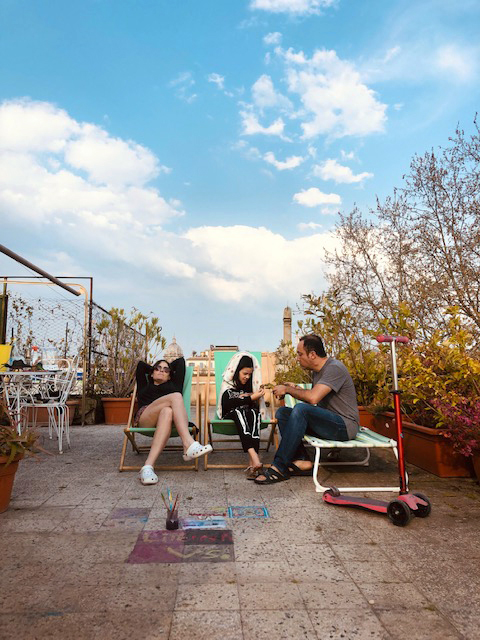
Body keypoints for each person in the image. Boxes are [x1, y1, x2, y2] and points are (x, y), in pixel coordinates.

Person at [255, 334, 360, 485]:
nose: (297, 358)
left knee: (301, 410)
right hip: (330, 422)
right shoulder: (317, 371)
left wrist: (287, 390)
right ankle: (302, 461)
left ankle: (279, 467)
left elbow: (313, 398)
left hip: (345, 426)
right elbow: (318, 397)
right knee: (283, 413)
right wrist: (295, 389)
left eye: (300, 354)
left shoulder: (334, 368)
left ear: (312, 354)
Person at [135, 357, 212, 485]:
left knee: (167, 411)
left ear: (170, 375)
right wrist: (154, 369)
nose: (161, 371)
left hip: (166, 420)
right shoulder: (145, 383)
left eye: (165, 370)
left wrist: (164, 368)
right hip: (146, 416)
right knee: (176, 396)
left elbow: (181, 361)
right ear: (152, 373)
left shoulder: (174, 384)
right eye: (157, 369)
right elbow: (140, 365)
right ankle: (188, 443)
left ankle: (148, 467)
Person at [218, 353, 266, 479]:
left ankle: (252, 466)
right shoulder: (228, 385)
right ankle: (254, 456)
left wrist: (254, 397)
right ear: (237, 371)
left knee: (254, 413)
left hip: (246, 415)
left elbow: (252, 406)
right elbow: (227, 404)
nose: (247, 377)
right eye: (244, 373)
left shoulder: (249, 386)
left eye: (249, 374)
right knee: (240, 412)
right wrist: (250, 398)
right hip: (231, 414)